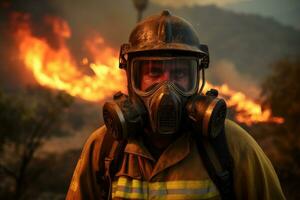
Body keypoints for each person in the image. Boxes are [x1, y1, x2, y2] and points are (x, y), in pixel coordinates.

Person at [66, 10, 285, 200]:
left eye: (179, 73)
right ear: (132, 78)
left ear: (196, 77)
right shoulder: (105, 148)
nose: (166, 88)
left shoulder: (232, 146)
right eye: (154, 72)